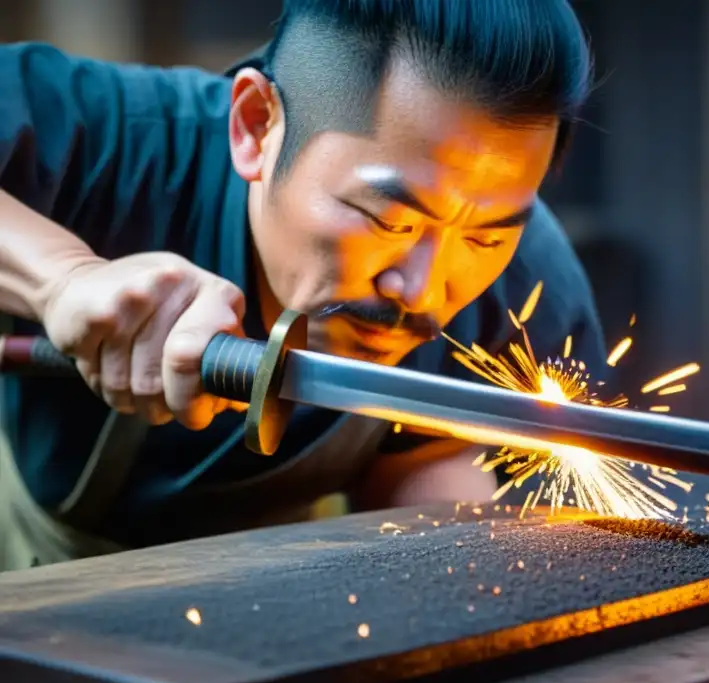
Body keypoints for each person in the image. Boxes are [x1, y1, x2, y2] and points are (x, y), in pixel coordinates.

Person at [0, 0, 607, 571]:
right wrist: (62, 280)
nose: (423, 290)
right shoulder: (116, 140)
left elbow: (434, 485)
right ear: (255, 126)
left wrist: (457, 554)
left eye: (483, 239)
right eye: (387, 219)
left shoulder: (530, 286)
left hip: (291, 588)